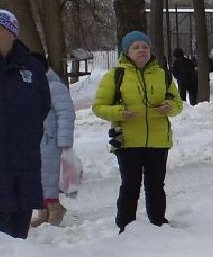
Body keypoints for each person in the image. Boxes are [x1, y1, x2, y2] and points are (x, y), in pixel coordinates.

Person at [93, 31, 182, 231]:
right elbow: (98, 107)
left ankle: (158, 223)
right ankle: (125, 226)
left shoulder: (163, 74)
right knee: (130, 185)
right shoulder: (115, 75)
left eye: (145, 47)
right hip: (128, 141)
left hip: (158, 140)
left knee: (156, 186)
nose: (141, 50)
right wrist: (120, 112)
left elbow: (178, 103)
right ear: (127, 51)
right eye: (136, 47)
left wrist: (170, 106)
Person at [0, 8, 52, 240]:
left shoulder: (32, 66)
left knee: (20, 219)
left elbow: (43, 105)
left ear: (12, 33)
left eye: (1, 29)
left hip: (24, 155)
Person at [33, 54, 76, 227]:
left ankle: (55, 207)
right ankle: (43, 210)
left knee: (49, 176)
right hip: (34, 140)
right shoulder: (30, 87)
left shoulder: (55, 87)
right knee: (38, 177)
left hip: (50, 141)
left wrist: (64, 140)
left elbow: (66, 114)